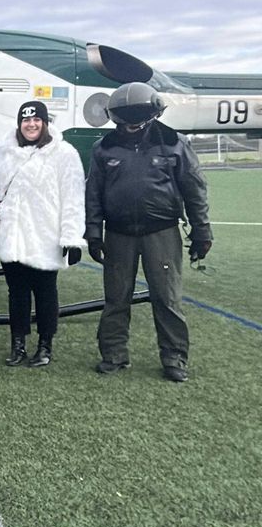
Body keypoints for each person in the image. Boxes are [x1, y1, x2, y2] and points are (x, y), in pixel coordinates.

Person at [85, 82, 212, 382]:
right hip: (118, 234)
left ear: (152, 115)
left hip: (162, 232)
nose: (130, 127)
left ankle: (174, 357)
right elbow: (93, 194)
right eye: (124, 121)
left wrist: (202, 230)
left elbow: (194, 189)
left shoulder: (174, 143)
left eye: (136, 121)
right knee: (116, 298)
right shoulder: (104, 147)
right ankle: (114, 354)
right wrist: (93, 233)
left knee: (167, 298)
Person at [0, 100, 85, 367]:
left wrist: (72, 237)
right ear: (19, 124)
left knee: (45, 292)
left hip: (45, 237)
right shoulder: (1, 152)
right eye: (26, 120)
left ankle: (45, 345)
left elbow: (73, 198)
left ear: (45, 123)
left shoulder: (64, 153)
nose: (31, 124)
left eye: (36, 119)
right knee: (16, 293)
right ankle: (18, 344)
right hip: (11, 235)